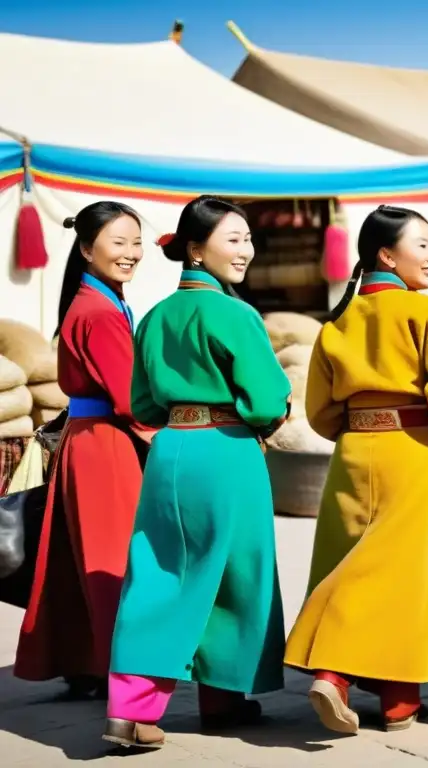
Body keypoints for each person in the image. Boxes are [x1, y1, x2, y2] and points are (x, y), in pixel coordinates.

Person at [284, 205, 428, 734]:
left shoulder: (338, 322)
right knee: (408, 578)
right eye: (423, 244)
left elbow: (321, 412)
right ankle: (374, 691)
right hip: (414, 452)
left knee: (352, 562)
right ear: (386, 255)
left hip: (353, 453)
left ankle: (367, 687)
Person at [103, 196, 291, 749]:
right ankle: (221, 697)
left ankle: (138, 706)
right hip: (228, 452)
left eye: (248, 239)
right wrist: (271, 415)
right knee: (238, 575)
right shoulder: (235, 314)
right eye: (233, 239)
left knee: (161, 573)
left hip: (170, 452)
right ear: (194, 248)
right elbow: (265, 400)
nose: (246, 250)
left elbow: (143, 405)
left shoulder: (156, 316)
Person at [15, 203, 153, 699]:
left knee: (81, 559)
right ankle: (125, 673)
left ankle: (85, 663)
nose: (131, 254)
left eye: (136, 242)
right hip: (106, 444)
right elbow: (129, 398)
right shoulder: (98, 311)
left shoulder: (96, 300)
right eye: (119, 243)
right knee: (110, 560)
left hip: (89, 438)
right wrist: (170, 436)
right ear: (86, 248)